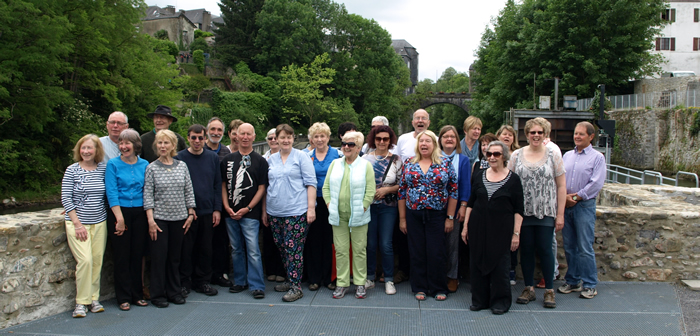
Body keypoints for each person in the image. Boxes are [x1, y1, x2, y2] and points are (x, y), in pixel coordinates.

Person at [508, 117, 566, 309]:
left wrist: (560, 214)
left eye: (540, 132)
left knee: (545, 249)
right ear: (527, 134)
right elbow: (509, 182)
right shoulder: (517, 155)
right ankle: (529, 288)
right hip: (523, 212)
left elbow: (561, 185)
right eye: (533, 132)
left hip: (545, 211)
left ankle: (549, 290)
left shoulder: (553, 155)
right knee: (526, 250)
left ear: (545, 134)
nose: (536, 135)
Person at [462, 141, 524, 315]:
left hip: (502, 230)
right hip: (478, 227)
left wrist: (516, 234)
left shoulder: (513, 180)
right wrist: (465, 227)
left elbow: (519, 210)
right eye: (489, 154)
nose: (492, 157)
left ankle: (500, 301)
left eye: (496, 154)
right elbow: (471, 203)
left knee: (500, 265)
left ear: (504, 156)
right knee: (477, 263)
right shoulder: (479, 175)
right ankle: (479, 300)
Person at [398, 130, 458, 301]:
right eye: (421, 141)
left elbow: (453, 190)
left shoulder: (445, 163)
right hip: (414, 214)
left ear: (434, 144)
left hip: (437, 215)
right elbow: (402, 191)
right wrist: (402, 219)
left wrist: (450, 217)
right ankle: (420, 286)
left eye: (428, 141)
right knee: (417, 252)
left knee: (436, 251)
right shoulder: (409, 162)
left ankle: (438, 287)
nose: (424, 144)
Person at [263, 124, 317, 302]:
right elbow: (265, 187)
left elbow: (311, 183)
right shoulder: (270, 160)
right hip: (275, 211)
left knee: (294, 249)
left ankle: (296, 286)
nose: (285, 140)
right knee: (283, 248)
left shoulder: (301, 157)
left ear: (293, 138)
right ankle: (290, 278)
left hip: (296, 211)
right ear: (276, 139)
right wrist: (264, 211)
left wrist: (311, 209)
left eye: (289, 137)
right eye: (282, 137)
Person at [143, 130, 196, 308]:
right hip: (159, 220)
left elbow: (188, 191)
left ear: (173, 145)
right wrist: (151, 220)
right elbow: (148, 196)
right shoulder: (151, 168)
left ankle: (174, 292)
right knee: (159, 258)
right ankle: (158, 294)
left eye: (166, 143)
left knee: (175, 258)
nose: (163, 146)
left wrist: (190, 214)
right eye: (160, 143)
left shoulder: (182, 166)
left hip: (180, 219)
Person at [323, 131, 375, 299]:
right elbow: (326, 188)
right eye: (344, 143)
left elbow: (371, 190)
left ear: (358, 147)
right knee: (341, 250)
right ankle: (342, 283)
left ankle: (360, 283)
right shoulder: (335, 164)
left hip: (359, 214)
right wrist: (329, 204)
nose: (346, 147)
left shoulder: (365, 165)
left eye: (350, 144)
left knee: (359, 250)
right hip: (338, 214)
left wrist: (364, 206)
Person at [62, 134, 108, 318]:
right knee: (85, 261)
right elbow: (66, 197)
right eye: (83, 148)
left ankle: (94, 299)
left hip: (99, 222)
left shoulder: (102, 169)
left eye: (90, 148)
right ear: (78, 150)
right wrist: (77, 223)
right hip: (78, 224)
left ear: (97, 151)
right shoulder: (72, 170)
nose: (86, 151)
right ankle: (81, 303)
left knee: (97, 262)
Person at [558, 121, 606, 299]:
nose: (577, 136)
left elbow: (596, 183)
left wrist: (575, 198)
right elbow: (560, 178)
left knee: (585, 247)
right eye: (576, 133)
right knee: (570, 246)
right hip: (567, 204)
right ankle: (572, 280)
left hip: (583, 205)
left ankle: (590, 284)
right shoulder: (567, 155)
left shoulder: (597, 157)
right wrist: (565, 199)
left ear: (591, 136)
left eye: (581, 134)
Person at [221, 123, 268, 299]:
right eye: (242, 134)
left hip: (250, 213)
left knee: (253, 249)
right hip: (230, 213)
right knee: (236, 248)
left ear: (254, 137)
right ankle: (240, 281)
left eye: (249, 134)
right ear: (236, 136)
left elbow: (262, 188)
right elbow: (223, 184)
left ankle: (257, 285)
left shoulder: (260, 161)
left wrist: (248, 208)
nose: (245, 137)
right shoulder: (228, 159)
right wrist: (226, 206)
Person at [175, 124, 221, 298]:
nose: (197, 141)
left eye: (200, 138)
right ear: (188, 138)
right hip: (187, 212)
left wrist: (217, 209)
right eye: (193, 137)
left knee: (205, 248)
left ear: (205, 138)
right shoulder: (179, 158)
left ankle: (202, 281)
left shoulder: (212, 158)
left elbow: (217, 184)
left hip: (208, 210)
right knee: (186, 249)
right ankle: (184, 282)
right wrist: (187, 209)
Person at [105, 129, 149, 311]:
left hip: (140, 212)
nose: (123, 147)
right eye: (121, 143)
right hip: (119, 211)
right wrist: (119, 218)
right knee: (122, 256)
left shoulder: (145, 164)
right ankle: (123, 297)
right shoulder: (113, 165)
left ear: (135, 145)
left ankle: (137, 294)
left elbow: (147, 190)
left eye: (127, 143)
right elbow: (111, 191)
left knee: (137, 255)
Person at [393, 109, 431, 284]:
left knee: (426, 239)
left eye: (424, 118)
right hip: (405, 194)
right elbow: (398, 163)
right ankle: (404, 270)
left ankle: (424, 273)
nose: (420, 121)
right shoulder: (403, 139)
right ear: (413, 121)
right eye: (417, 118)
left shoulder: (433, 138)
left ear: (428, 122)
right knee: (404, 234)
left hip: (429, 200)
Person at [364, 125, 402, 295]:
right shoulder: (365, 159)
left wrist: (387, 190)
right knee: (370, 243)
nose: (381, 142)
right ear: (373, 140)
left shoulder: (396, 159)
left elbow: (402, 184)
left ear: (390, 140)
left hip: (388, 206)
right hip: (369, 206)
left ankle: (388, 279)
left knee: (386, 243)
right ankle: (370, 276)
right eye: (378, 138)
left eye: (385, 139)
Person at [305, 122, 343, 291]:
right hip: (312, 202)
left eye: (323, 136)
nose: (319, 139)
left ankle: (329, 277)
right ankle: (314, 278)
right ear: (311, 139)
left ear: (328, 137)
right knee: (313, 240)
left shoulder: (338, 155)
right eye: (316, 136)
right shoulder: (306, 156)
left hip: (332, 202)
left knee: (330, 240)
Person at [437, 125, 472, 293]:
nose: (449, 139)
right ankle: (437, 275)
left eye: (452, 136)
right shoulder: (433, 157)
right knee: (436, 243)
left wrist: (464, 205)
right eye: (445, 136)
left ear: (457, 140)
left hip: (456, 207)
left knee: (452, 244)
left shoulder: (463, 160)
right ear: (440, 140)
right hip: (435, 207)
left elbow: (465, 184)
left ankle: (452, 276)